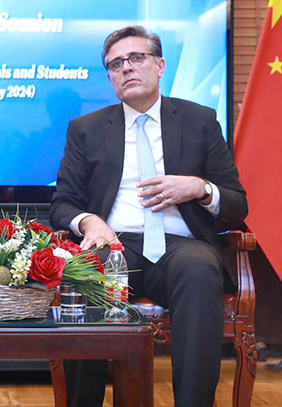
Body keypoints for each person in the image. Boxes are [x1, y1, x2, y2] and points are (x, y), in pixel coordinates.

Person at [50, 26, 248, 407]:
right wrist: (89, 221)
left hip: (181, 246)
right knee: (84, 272)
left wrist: (199, 188)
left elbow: (238, 205)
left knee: (199, 267)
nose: (126, 68)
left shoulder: (199, 121)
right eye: (116, 64)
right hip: (115, 245)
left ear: (159, 66)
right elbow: (63, 203)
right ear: (109, 77)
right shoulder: (86, 129)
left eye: (136, 58)